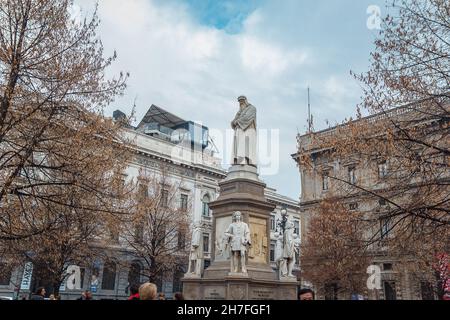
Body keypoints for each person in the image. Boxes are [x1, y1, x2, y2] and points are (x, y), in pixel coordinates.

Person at [231, 96, 257, 166]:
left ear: (245, 101)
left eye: (242, 101)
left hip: (248, 130)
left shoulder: (252, 108)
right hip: (239, 131)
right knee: (238, 147)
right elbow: (234, 121)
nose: (241, 103)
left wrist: (237, 121)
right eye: (239, 102)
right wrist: (234, 122)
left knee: (245, 147)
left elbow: (247, 117)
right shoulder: (239, 112)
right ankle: (238, 161)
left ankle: (245, 161)